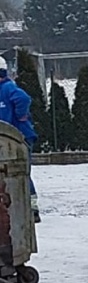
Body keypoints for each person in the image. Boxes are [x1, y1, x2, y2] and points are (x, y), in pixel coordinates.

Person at [0, 57, 39, 223]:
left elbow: (23, 99)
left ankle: (31, 207)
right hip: (7, 139)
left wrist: (20, 116)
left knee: (21, 172)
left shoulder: (8, 88)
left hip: (18, 138)